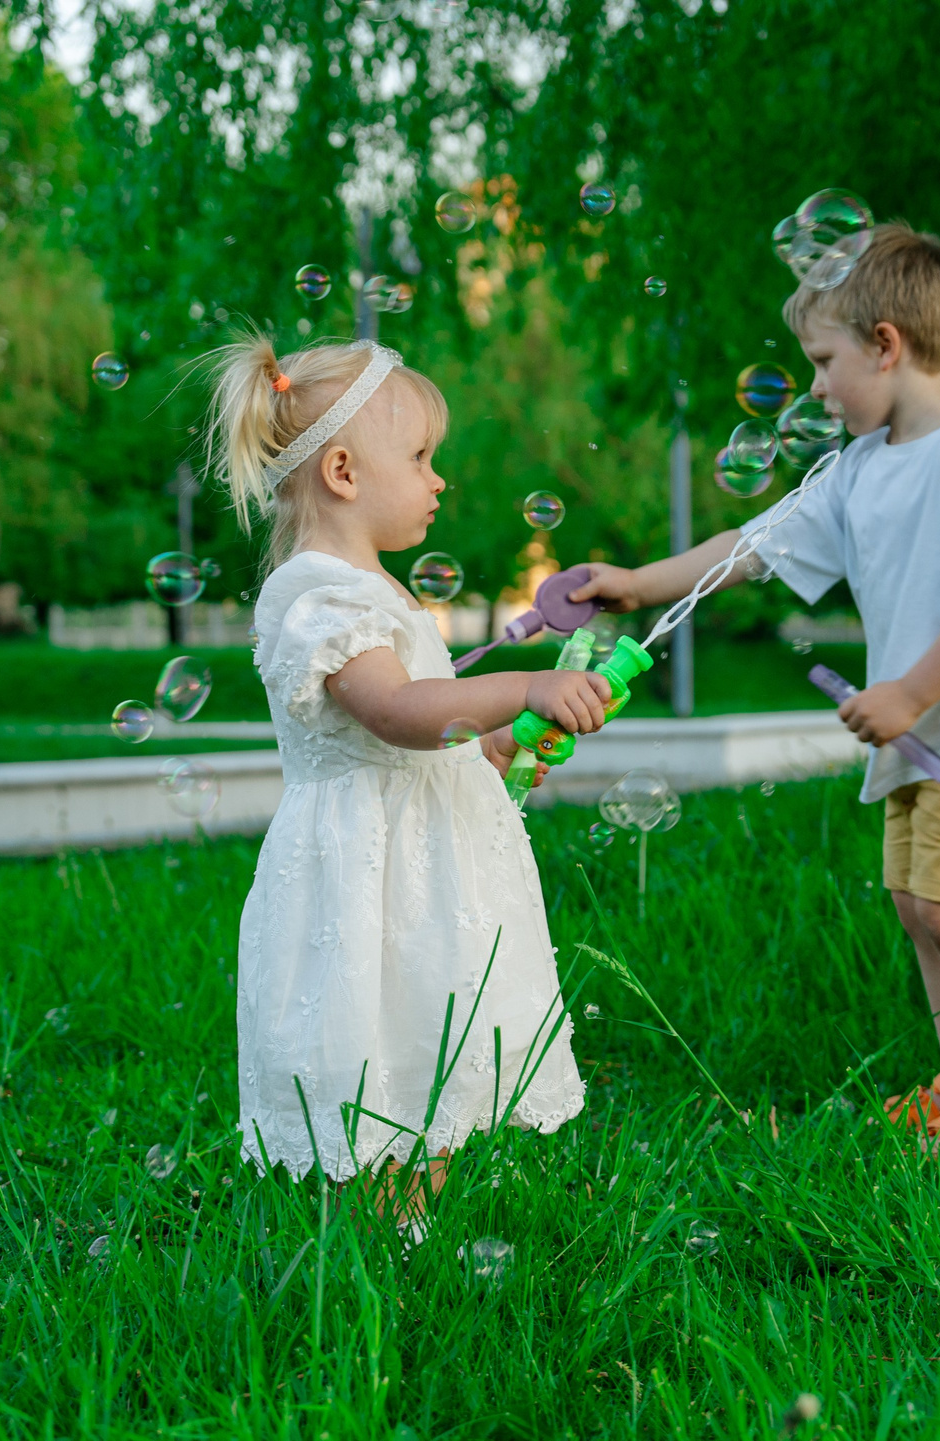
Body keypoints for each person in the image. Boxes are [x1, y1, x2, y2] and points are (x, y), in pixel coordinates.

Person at [570, 224, 940, 1164]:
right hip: (921, 734)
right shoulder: (861, 467)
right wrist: (641, 581)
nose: (812, 388)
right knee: (919, 906)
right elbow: (755, 547)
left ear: (887, 344)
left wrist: (909, 696)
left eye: (822, 361)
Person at [206, 332, 604, 1220]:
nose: (439, 480)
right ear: (343, 471)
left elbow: (429, 734)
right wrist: (524, 686)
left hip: (421, 867)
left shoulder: (374, 590)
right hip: (367, 880)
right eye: (421, 457)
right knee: (375, 1050)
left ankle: (420, 1236)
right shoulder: (317, 594)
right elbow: (395, 710)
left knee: (431, 1040)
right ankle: (383, 1242)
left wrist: (502, 746)